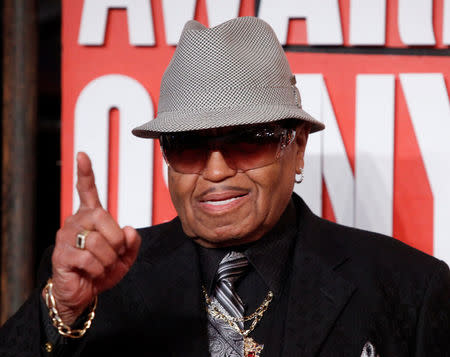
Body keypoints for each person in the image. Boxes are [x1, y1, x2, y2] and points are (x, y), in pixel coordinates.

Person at [0, 16, 449, 357]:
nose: (215, 171)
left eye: (248, 141)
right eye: (189, 147)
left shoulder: (408, 286)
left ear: (296, 148)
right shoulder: (97, 281)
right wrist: (60, 309)